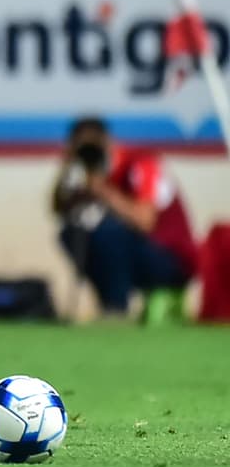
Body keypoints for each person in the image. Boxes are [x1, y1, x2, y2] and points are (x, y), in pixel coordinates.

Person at [53, 117, 199, 323]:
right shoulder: (87, 172)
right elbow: (58, 209)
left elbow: (144, 222)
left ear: (107, 142)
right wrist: (69, 168)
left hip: (170, 260)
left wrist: (102, 190)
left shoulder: (141, 163)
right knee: (72, 233)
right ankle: (107, 304)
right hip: (130, 253)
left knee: (109, 232)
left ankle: (116, 309)